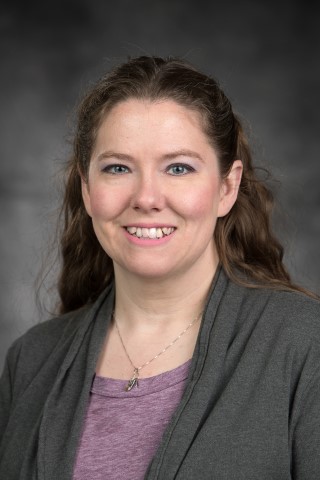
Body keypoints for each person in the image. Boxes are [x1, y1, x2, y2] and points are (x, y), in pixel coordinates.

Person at [0, 55, 319, 480]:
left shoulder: (304, 344)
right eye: (118, 168)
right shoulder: (30, 360)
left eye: (178, 168)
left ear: (227, 187)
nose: (147, 197)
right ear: (87, 188)